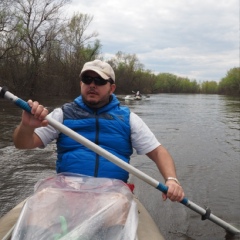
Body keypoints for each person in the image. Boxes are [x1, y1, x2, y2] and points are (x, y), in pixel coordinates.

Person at [13, 59, 184, 202]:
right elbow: (23, 144)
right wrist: (26, 127)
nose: (92, 85)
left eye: (100, 81)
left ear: (112, 88)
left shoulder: (128, 119)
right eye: (87, 80)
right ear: (81, 84)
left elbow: (158, 152)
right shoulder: (61, 115)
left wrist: (172, 180)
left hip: (112, 195)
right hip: (68, 191)